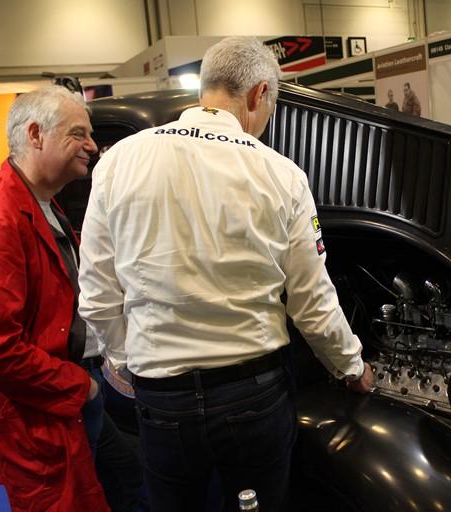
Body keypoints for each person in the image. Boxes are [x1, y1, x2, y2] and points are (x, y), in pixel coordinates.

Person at [78, 36, 375, 512]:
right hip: (253, 396)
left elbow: (96, 295)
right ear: (259, 93)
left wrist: (135, 365)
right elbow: (312, 302)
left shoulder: (117, 162)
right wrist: (352, 367)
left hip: (162, 399)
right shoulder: (281, 174)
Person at [0, 86, 139, 512]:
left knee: (126, 480)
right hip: (42, 410)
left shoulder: (39, 202)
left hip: (67, 394)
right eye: (78, 134)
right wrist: (79, 386)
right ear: (35, 135)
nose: (92, 145)